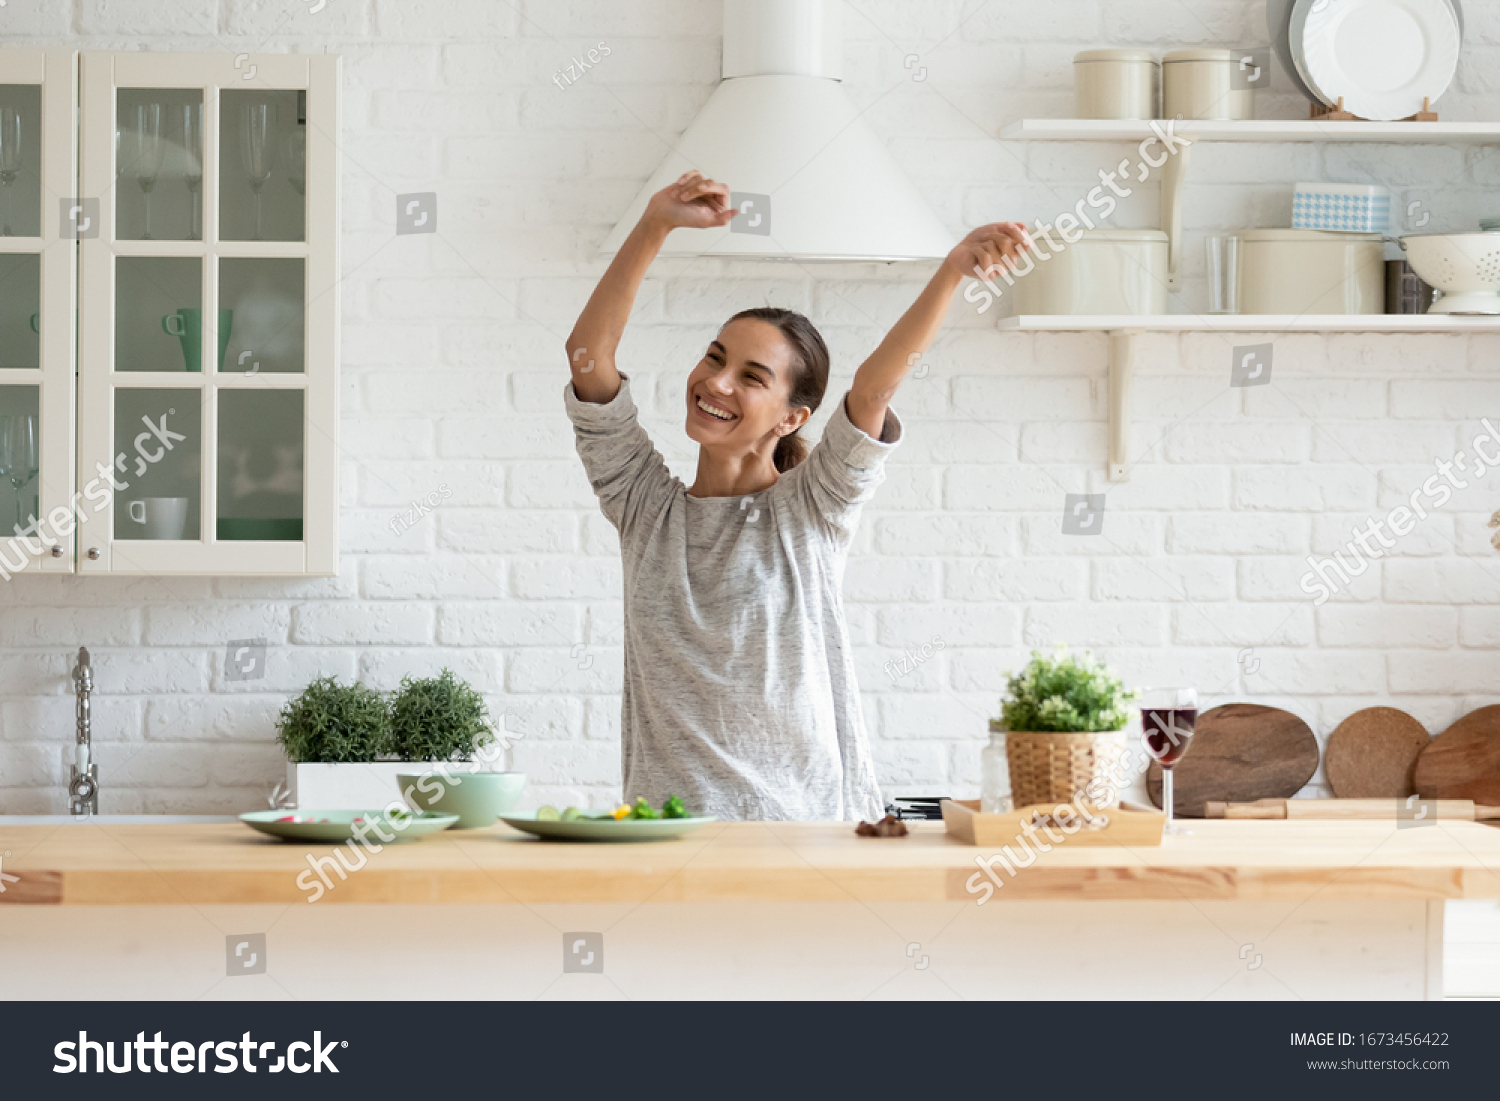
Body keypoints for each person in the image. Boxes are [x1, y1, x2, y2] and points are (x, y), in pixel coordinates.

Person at [564, 170, 1029, 820]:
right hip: (666, 839)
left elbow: (871, 391)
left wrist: (952, 270)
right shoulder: (645, 507)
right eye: (715, 357)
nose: (716, 383)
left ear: (791, 418)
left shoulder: (811, 509)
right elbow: (587, 355)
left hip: (804, 835)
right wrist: (654, 226)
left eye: (751, 376)